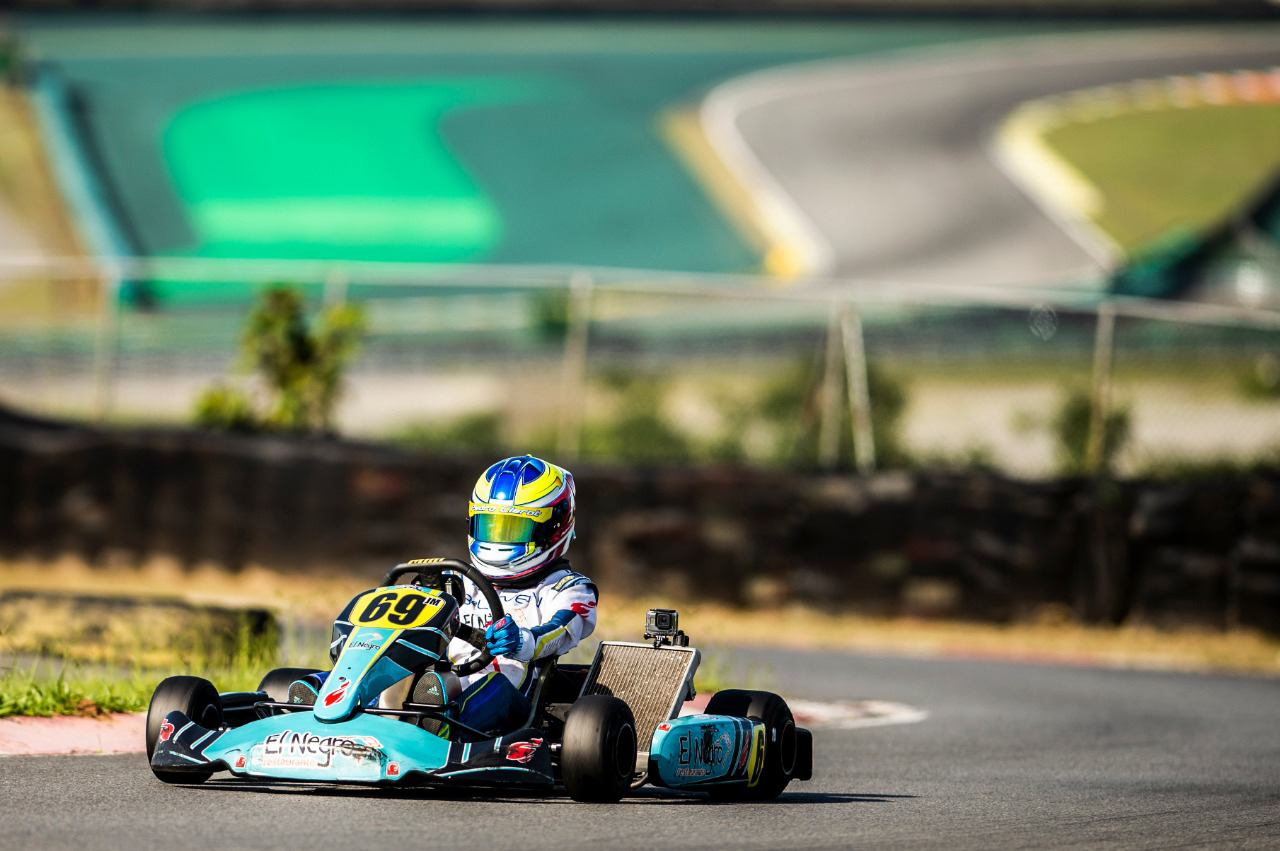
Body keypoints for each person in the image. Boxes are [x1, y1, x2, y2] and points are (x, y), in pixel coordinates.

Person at [449, 454, 598, 736]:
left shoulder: (568, 588)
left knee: (495, 686)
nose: (499, 538)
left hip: (515, 706)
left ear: (553, 528)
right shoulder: (457, 580)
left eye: (514, 528)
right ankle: (365, 717)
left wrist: (523, 640)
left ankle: (443, 733)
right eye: (491, 525)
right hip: (448, 683)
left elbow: (561, 631)